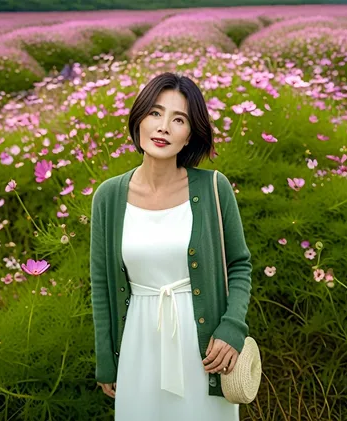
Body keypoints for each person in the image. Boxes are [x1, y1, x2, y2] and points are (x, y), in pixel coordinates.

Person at [90, 72, 253, 420]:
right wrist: (107, 360)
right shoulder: (108, 196)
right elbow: (101, 284)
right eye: (155, 113)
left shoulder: (213, 188)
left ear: (190, 133)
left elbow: (239, 264)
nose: (163, 127)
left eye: (178, 119)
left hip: (206, 350)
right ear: (139, 119)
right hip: (138, 345)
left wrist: (232, 328)